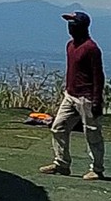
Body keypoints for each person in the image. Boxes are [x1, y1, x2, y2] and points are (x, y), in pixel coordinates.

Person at [43, 10, 106, 180]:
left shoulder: (91, 49)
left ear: (82, 27)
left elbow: (98, 76)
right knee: (58, 127)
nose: (70, 27)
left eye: (73, 23)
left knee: (92, 133)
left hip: (87, 97)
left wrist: (96, 101)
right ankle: (61, 163)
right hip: (70, 95)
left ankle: (97, 169)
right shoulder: (70, 45)